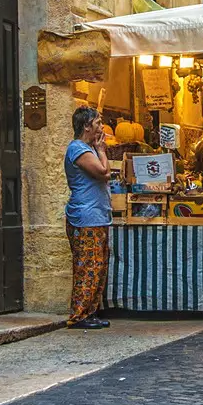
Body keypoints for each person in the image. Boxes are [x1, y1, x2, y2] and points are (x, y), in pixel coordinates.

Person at [64, 107, 114, 329]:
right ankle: (79, 315)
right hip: (86, 217)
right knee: (88, 266)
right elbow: (103, 173)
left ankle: (91, 311)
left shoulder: (89, 149)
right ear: (86, 126)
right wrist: (102, 150)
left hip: (98, 215)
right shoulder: (78, 149)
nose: (101, 127)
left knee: (99, 266)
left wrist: (99, 149)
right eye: (98, 122)